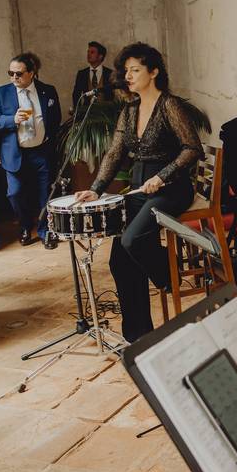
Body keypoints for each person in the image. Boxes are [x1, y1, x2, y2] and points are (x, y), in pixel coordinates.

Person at [73, 43, 206, 342]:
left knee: (133, 240)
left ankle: (170, 278)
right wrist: (96, 188)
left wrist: (163, 175)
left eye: (135, 70)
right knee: (119, 262)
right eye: (126, 71)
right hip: (139, 187)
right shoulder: (130, 110)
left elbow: (192, 148)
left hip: (171, 188)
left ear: (154, 71)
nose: (128, 76)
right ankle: (139, 337)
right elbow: (115, 152)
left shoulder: (169, 105)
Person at [0, 52, 61, 249]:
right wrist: (12, 119)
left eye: (18, 74)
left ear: (31, 73)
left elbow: (55, 119)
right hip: (15, 153)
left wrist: (48, 140)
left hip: (41, 152)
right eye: (10, 73)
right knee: (15, 193)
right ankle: (25, 226)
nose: (13, 78)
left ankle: (46, 231)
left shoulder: (48, 91)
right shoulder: (1, 93)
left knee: (45, 194)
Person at [71, 41, 114, 112]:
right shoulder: (82, 73)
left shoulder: (110, 73)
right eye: (88, 52)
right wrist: (77, 110)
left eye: (92, 52)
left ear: (100, 56)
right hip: (87, 114)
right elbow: (76, 94)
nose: (88, 54)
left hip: (106, 115)